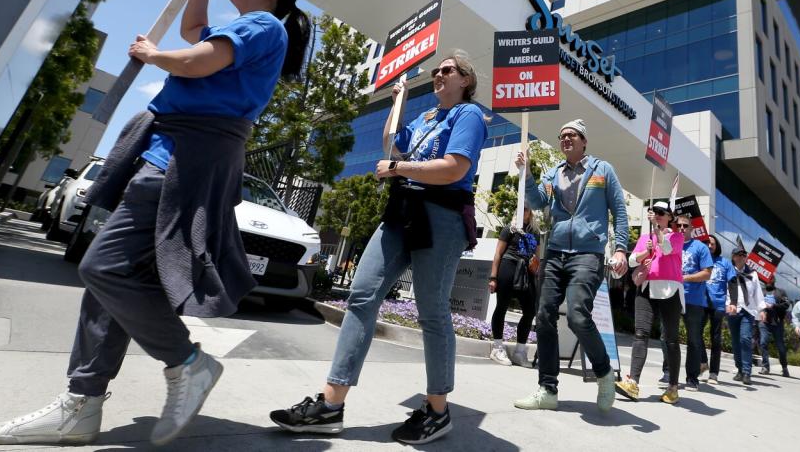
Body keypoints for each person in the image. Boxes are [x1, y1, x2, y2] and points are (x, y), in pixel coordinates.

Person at [0, 0, 309, 446]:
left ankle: (187, 362)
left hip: (181, 160)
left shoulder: (264, 27)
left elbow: (196, 60)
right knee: (112, 281)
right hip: (174, 153)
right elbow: (195, 32)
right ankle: (82, 402)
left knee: (103, 268)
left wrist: (152, 56)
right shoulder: (250, 29)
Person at [270, 51, 488, 445]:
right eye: (437, 70)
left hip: (441, 217)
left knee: (432, 312)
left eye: (448, 70)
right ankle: (330, 405)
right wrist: (398, 100)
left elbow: (455, 167)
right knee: (361, 296)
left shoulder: (467, 115)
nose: (439, 74)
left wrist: (400, 170)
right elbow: (392, 144)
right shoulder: (426, 118)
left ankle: (438, 410)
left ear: (466, 81)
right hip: (402, 212)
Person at [513, 119, 630, 413]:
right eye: (562, 136)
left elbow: (619, 211)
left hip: (587, 254)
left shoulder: (602, 170)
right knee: (543, 316)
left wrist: (621, 249)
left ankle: (604, 374)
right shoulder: (554, 173)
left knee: (578, 315)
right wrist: (526, 175)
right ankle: (547, 389)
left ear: (584, 141)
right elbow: (538, 201)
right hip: (554, 252)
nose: (566, 139)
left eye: (572, 135)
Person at [616, 201, 684, 404]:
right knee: (640, 333)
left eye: (663, 213)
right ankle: (633, 382)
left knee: (671, 339)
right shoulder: (646, 238)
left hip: (670, 289)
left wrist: (658, 232)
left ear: (670, 217)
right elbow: (631, 262)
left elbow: (667, 248)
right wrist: (646, 251)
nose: (659, 215)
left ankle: (672, 387)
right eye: (656, 212)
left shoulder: (677, 236)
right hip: (646, 287)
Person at [488, 205, 541, 367]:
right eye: (520, 208)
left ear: (530, 212)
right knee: (502, 306)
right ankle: (497, 347)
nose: (523, 211)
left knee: (530, 310)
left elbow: (538, 257)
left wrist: (536, 266)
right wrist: (493, 277)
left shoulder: (535, 233)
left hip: (527, 271)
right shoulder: (509, 229)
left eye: (526, 209)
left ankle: (520, 351)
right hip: (508, 266)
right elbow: (498, 253)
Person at [670, 213, 713, 391]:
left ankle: (692, 378)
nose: (681, 228)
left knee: (694, 340)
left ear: (691, 228)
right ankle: (668, 373)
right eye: (678, 225)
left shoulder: (700, 248)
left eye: (685, 226)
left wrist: (685, 277)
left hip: (693, 300)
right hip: (671, 296)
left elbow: (707, 273)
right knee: (668, 337)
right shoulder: (670, 243)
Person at [725, 247, 765, 385]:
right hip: (733, 310)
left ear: (745, 257)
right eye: (738, 255)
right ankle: (740, 369)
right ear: (733, 257)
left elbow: (758, 293)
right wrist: (727, 304)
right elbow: (725, 290)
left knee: (745, 339)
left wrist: (762, 309)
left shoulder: (752, 274)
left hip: (747, 311)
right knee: (736, 342)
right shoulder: (729, 272)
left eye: (743, 255)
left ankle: (747, 372)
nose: (741, 257)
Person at [700, 236, 735, 384]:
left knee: (715, 339)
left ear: (717, 246)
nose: (709, 246)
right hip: (700, 302)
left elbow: (732, 283)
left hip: (718, 304)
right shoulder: (699, 260)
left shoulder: (725, 262)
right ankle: (703, 362)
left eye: (712, 244)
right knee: (695, 333)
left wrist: (733, 302)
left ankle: (713, 373)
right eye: (707, 243)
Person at [758, 282, 791, 377]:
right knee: (763, 342)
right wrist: (762, 310)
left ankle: (784, 367)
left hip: (777, 323)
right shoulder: (761, 291)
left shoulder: (781, 292)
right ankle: (765, 367)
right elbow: (756, 303)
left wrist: (774, 306)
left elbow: (787, 304)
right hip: (764, 322)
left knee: (781, 347)